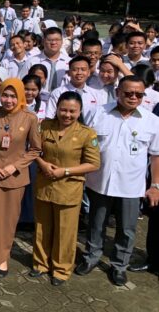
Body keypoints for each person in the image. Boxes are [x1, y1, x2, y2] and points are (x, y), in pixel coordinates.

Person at [76, 76, 159, 286]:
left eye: (138, 94)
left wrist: (155, 185)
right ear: (118, 91)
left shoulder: (152, 121)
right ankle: (91, 257)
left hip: (131, 185)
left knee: (127, 229)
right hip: (99, 182)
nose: (133, 97)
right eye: (128, 93)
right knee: (96, 224)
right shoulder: (97, 113)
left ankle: (119, 265)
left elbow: (156, 155)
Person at [30, 91, 100, 286]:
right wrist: (42, 163)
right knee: (42, 228)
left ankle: (61, 269)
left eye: (72, 111)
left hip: (69, 189)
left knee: (65, 232)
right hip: (45, 185)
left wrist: (66, 171)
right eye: (63, 110)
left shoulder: (87, 133)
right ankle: (41, 263)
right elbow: (33, 149)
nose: (67, 115)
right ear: (57, 108)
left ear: (79, 112)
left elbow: (94, 164)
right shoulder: (44, 126)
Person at [0, 78, 42, 277]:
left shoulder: (29, 118)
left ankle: (2, 258)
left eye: (13, 96)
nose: (8, 100)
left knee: (7, 220)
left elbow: (35, 150)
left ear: (20, 97)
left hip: (14, 179)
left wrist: (14, 166)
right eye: (5, 95)